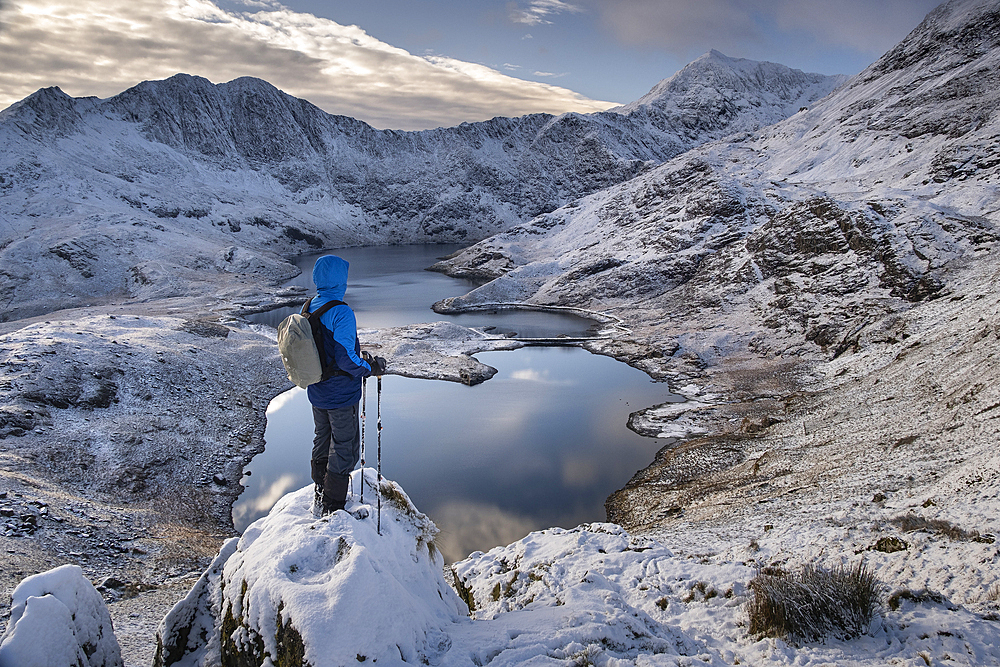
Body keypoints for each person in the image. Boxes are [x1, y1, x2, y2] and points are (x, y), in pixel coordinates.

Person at [306, 254, 386, 516]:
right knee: (345, 447)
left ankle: (320, 490)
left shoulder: (309, 306)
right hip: (341, 395)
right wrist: (370, 368)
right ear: (341, 280)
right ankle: (334, 506)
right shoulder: (340, 312)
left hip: (317, 390)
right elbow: (345, 358)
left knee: (322, 437)